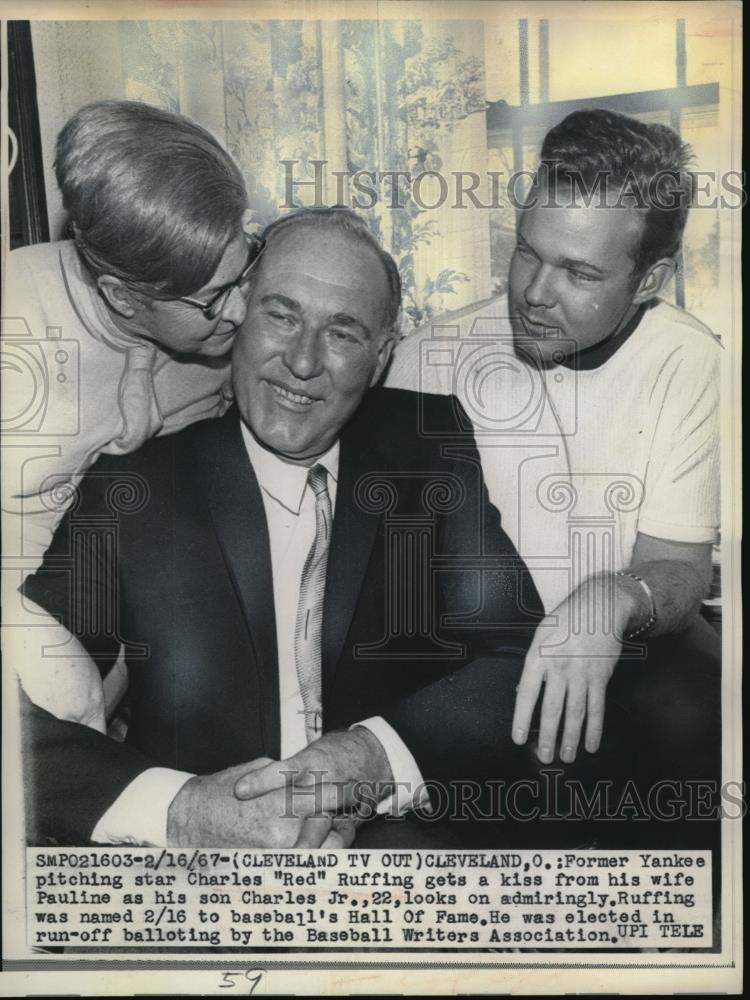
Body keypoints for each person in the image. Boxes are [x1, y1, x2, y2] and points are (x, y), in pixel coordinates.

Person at [19, 208, 543, 848]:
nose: (301, 362)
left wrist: (371, 761)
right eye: (281, 315)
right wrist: (180, 811)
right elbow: (20, 720)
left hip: (395, 849)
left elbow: (516, 655)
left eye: (342, 334)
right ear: (239, 316)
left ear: (381, 356)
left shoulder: (429, 446)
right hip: (202, 880)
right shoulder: (136, 487)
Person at [386, 109, 721, 779]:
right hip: (460, 666)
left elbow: (679, 567)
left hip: (626, 659)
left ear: (649, 281)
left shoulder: (689, 359)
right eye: (527, 252)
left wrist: (614, 598)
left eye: (579, 273)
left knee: (701, 714)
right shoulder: (428, 359)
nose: (534, 294)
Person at [2, 99, 261, 718]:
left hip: (140, 614)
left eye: (243, 272)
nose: (240, 313)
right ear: (121, 295)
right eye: (211, 300)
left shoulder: (226, 329)